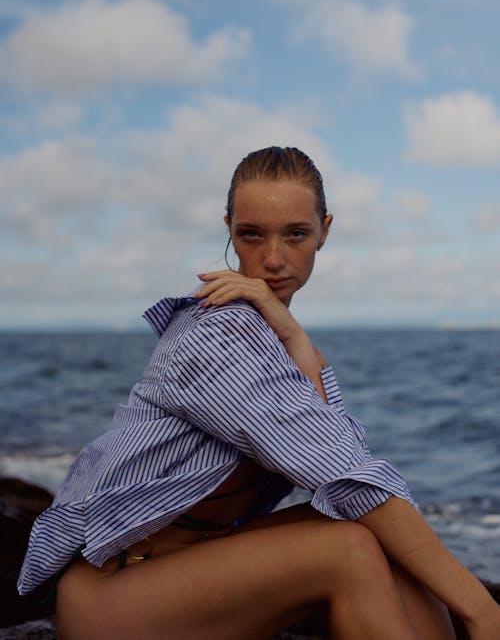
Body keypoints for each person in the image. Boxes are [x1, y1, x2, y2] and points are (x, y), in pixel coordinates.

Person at [18, 146, 500, 640]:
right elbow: (348, 474)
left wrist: (293, 335)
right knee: (348, 551)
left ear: (325, 231)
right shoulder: (218, 336)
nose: (273, 259)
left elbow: (343, 459)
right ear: (229, 228)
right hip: (114, 594)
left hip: (196, 570)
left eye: (296, 234)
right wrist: (481, 610)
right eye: (251, 234)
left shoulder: (275, 333)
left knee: (379, 537)